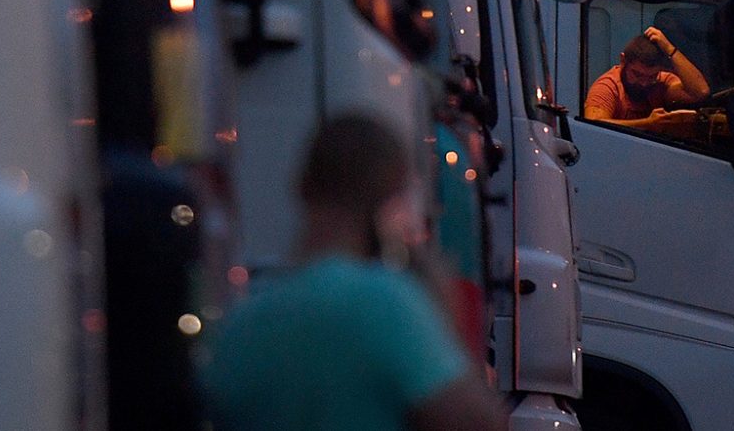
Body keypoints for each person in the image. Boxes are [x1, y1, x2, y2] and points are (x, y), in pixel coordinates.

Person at [201, 113, 507, 431]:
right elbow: (479, 422)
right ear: (392, 199)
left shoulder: (242, 323)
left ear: (301, 184)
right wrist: (447, 322)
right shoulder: (388, 305)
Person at [585, 26, 710, 131]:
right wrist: (648, 124)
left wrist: (669, 49)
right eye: (637, 74)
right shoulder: (609, 86)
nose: (644, 83)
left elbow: (701, 92)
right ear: (623, 61)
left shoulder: (661, 82)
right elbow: (592, 126)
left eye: (651, 76)